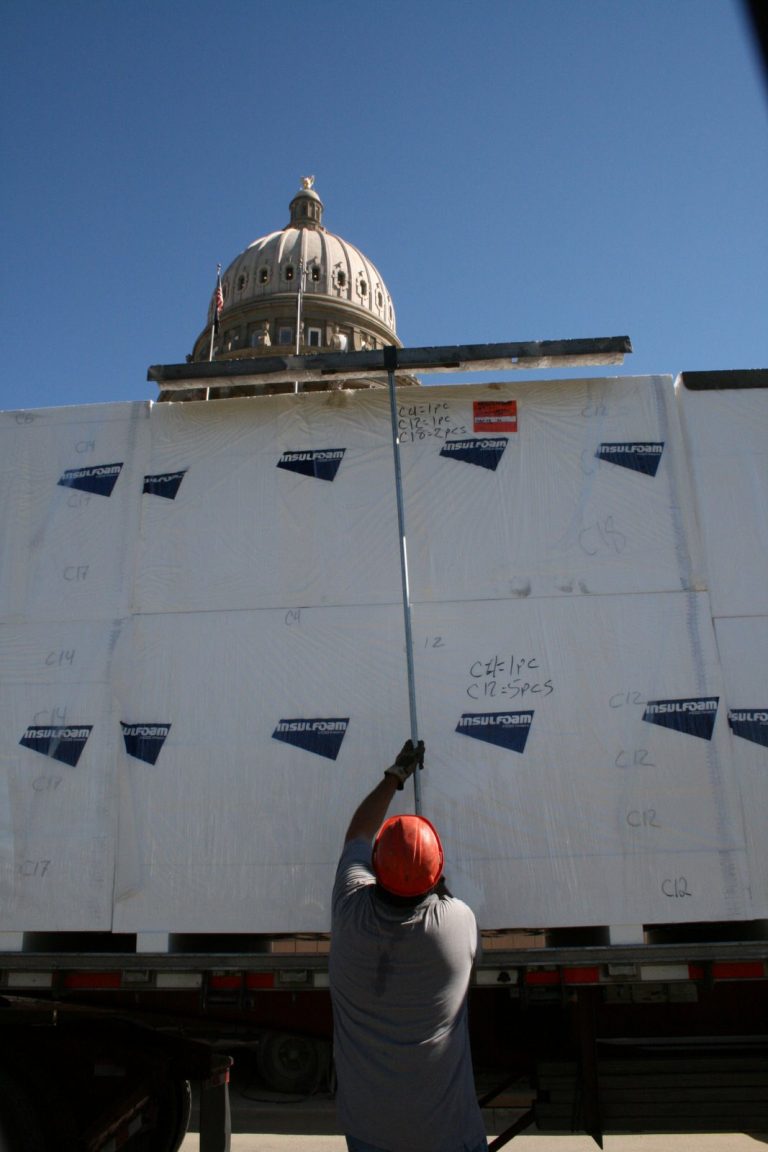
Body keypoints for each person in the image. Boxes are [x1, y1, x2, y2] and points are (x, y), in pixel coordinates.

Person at [329, 740, 488, 1152]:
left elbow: (357, 834)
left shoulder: (350, 911)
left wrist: (395, 776)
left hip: (370, 1134)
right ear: (438, 874)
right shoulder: (457, 923)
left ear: (376, 866)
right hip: (449, 1136)